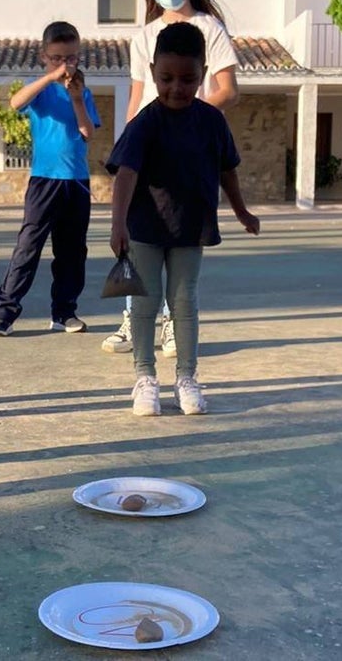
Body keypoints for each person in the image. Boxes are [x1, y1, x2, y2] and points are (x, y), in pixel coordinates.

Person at [106, 22, 260, 416]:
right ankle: (145, 378)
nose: (176, 87)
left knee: (183, 301)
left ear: (203, 72)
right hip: (144, 229)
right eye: (166, 78)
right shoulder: (145, 123)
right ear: (153, 69)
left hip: (190, 226)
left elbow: (228, 169)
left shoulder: (211, 121)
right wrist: (118, 223)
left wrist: (241, 209)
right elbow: (126, 174)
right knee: (145, 301)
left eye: (188, 79)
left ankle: (187, 378)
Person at [102, 0, 240, 357]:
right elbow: (137, 96)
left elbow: (228, 91)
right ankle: (134, 320)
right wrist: (130, 140)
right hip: (148, 153)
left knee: (180, 239)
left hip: (186, 154)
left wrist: (184, 120)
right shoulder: (143, 36)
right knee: (139, 236)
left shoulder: (210, 29)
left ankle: (171, 326)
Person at [0, 21, 100, 336]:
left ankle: (64, 313)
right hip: (44, 181)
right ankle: (4, 314)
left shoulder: (84, 93)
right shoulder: (40, 91)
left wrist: (77, 99)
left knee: (72, 251)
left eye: (72, 58)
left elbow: (87, 132)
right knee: (28, 246)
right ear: (44, 57)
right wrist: (50, 78)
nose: (65, 64)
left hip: (76, 181)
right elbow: (15, 102)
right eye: (57, 58)